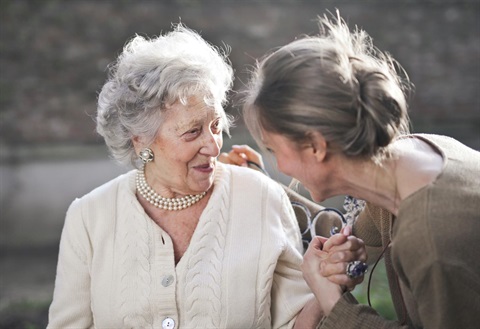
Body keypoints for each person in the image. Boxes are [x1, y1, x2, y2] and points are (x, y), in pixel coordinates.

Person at [47, 24, 366, 329]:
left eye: (215, 126)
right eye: (192, 132)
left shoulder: (260, 198)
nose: (213, 145)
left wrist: (325, 283)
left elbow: (296, 322)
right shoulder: (88, 218)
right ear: (141, 139)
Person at [237, 11, 480, 329]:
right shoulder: (413, 157)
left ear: (315, 146)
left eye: (273, 150)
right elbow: (354, 242)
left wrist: (333, 302)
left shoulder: (431, 238)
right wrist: (338, 262)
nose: (280, 166)